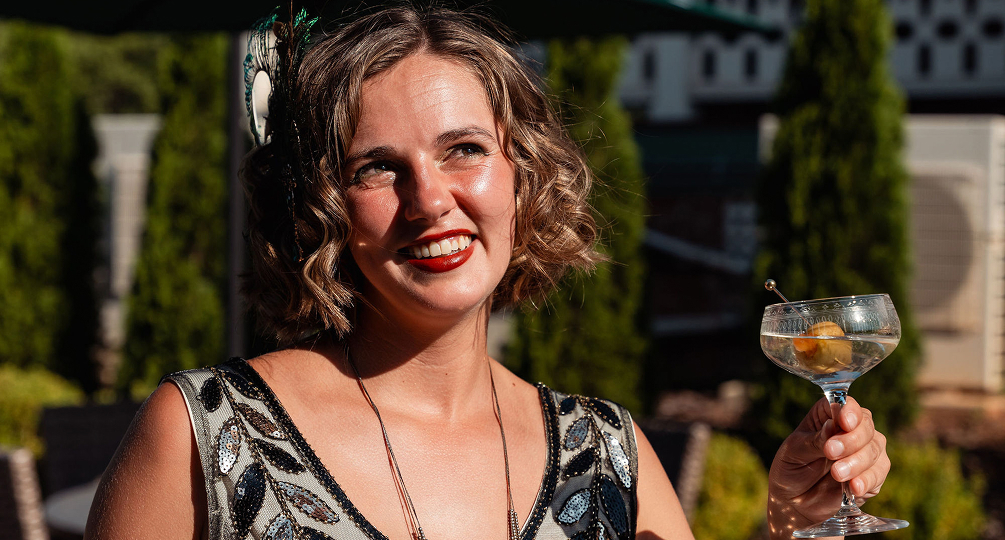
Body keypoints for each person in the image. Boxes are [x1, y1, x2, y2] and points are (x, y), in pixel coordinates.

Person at [84, 5, 891, 540]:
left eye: (462, 149)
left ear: (522, 175)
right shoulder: (206, 434)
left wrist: (789, 521)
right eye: (376, 167)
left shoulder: (606, 450)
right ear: (322, 207)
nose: (431, 200)